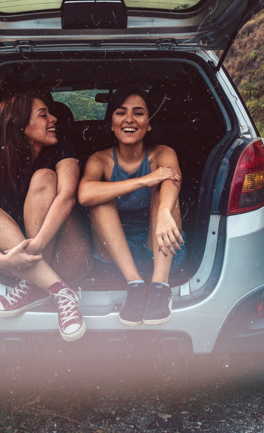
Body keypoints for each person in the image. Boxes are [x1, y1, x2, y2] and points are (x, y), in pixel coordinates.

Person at [0, 92, 91, 341]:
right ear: (19, 125)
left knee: (44, 177)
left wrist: (34, 250)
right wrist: (1, 262)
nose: (54, 118)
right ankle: (59, 291)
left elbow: (67, 196)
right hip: (20, 267)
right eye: (43, 115)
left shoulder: (62, 151)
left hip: (69, 257)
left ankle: (36, 286)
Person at [77, 87, 186, 328]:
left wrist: (165, 212)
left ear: (149, 124)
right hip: (116, 258)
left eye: (138, 113)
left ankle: (160, 287)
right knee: (99, 196)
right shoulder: (100, 159)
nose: (129, 120)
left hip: (160, 248)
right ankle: (135, 286)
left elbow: (171, 180)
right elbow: (85, 195)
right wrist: (143, 180)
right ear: (112, 123)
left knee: (165, 188)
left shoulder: (163, 153)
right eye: (120, 112)